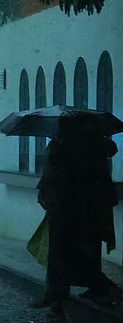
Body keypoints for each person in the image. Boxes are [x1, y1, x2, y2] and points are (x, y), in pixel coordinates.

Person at [33, 126, 120, 312]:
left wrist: (44, 192)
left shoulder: (66, 147)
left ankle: (65, 294)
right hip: (84, 207)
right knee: (80, 252)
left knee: (63, 253)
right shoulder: (92, 146)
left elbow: (53, 172)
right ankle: (83, 291)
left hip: (69, 206)